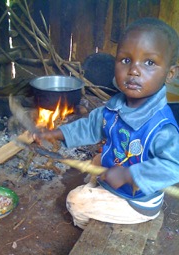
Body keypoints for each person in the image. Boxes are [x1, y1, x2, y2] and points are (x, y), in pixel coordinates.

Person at [33, 17, 179, 229]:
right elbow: (91, 126)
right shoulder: (115, 107)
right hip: (117, 178)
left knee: (75, 201)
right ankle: (102, 194)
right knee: (98, 159)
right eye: (126, 60)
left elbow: (173, 167)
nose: (134, 71)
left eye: (149, 62)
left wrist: (130, 174)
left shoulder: (161, 128)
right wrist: (56, 134)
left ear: (170, 73)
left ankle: (97, 228)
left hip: (137, 201)